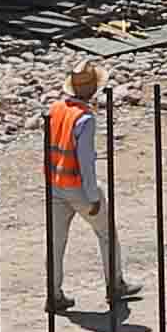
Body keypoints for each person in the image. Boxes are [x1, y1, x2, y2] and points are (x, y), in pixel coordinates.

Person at [39, 63, 126, 318]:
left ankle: (53, 295)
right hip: (77, 187)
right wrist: (93, 197)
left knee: (55, 243)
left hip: (54, 185)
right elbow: (86, 162)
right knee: (106, 233)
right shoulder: (85, 119)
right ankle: (115, 284)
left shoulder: (55, 109)